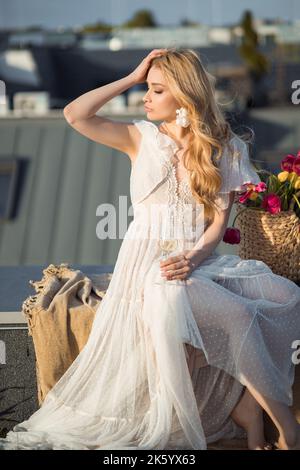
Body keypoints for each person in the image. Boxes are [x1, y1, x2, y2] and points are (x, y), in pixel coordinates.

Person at [0, 47, 300, 451]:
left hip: (199, 262)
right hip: (151, 270)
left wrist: (195, 257)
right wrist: (131, 76)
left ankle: (248, 406)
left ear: (183, 95)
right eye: (147, 89)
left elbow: (216, 224)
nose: (145, 97)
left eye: (156, 90)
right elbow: (75, 114)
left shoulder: (224, 146)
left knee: (288, 294)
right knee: (239, 314)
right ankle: (286, 430)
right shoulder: (139, 136)